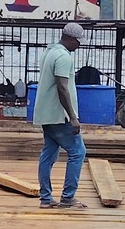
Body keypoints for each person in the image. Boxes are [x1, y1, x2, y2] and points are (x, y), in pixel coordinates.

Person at [33, 21, 87, 209]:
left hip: (46, 114)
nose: (79, 45)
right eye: (78, 42)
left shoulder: (49, 52)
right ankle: (68, 197)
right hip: (59, 115)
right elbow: (62, 88)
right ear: (71, 39)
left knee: (48, 154)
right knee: (78, 152)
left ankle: (46, 199)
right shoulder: (64, 57)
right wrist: (72, 117)